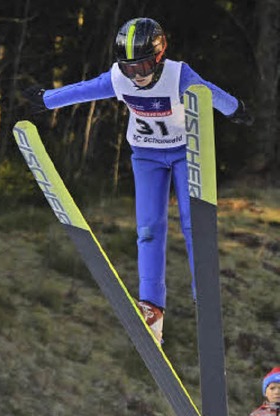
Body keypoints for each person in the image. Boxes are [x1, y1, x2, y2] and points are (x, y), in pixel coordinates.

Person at [23, 17, 252, 342]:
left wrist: (235, 109)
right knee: (148, 230)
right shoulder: (120, 79)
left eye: (143, 66)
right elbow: (86, 90)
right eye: (129, 68)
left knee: (194, 223)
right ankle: (152, 309)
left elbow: (207, 93)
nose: (137, 75)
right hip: (146, 155)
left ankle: (204, 293)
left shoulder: (177, 74)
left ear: (159, 58)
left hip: (186, 153)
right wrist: (46, 99)